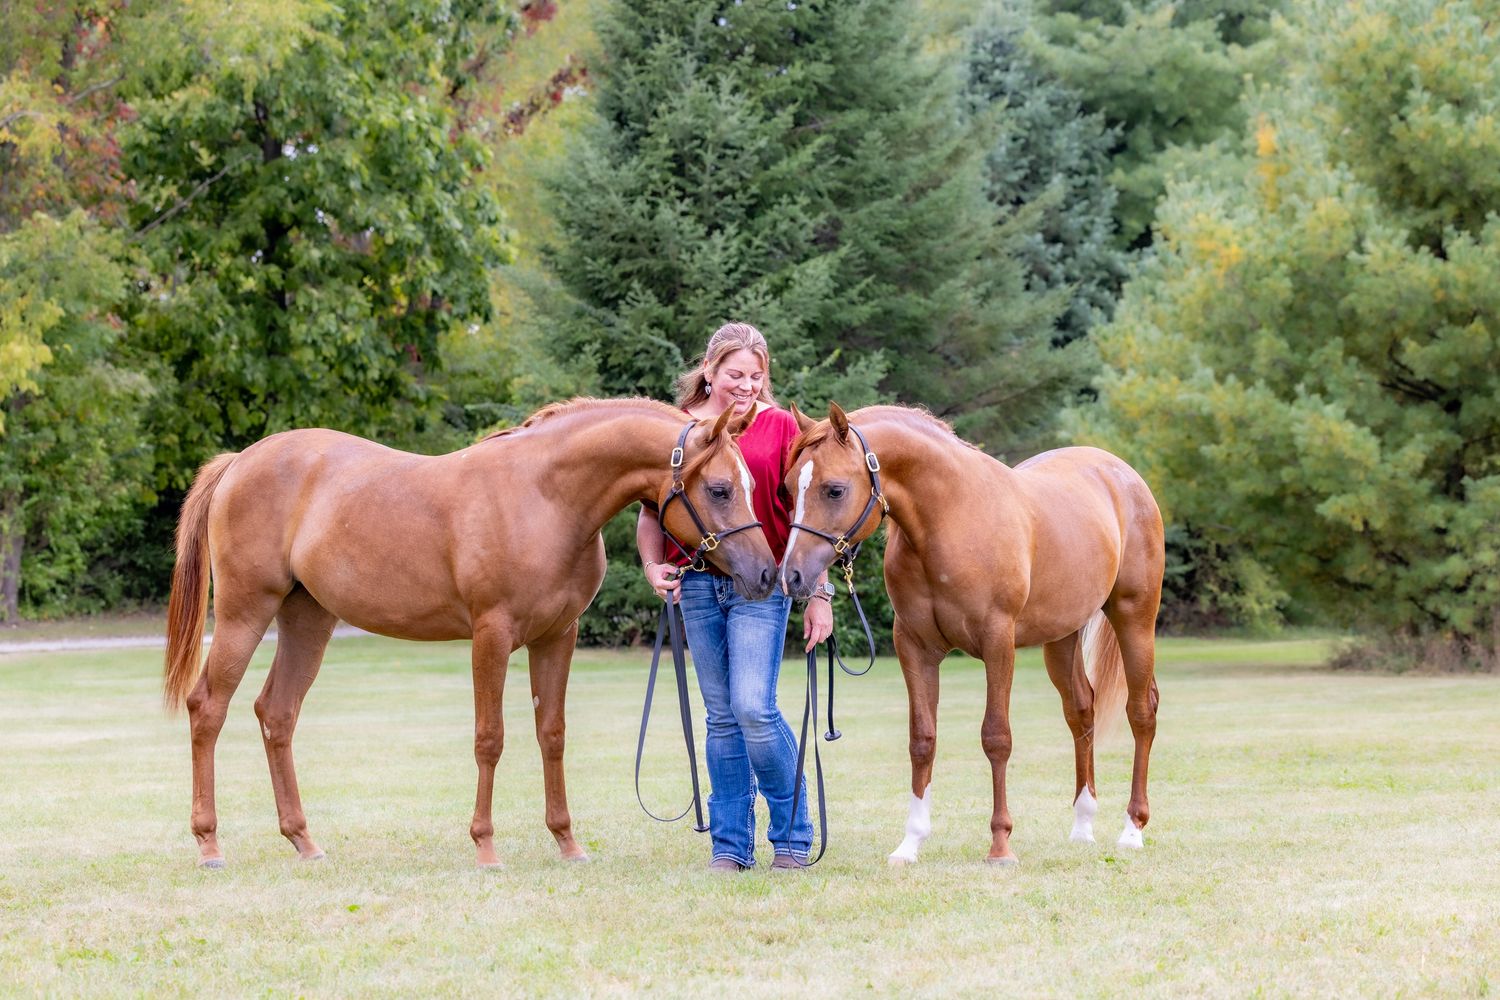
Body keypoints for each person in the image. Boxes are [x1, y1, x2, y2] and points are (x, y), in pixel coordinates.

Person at [637, 322, 834, 872]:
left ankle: (792, 834)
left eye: (756, 375)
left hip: (760, 581)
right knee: (721, 717)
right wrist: (654, 565)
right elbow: (651, 513)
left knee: (752, 707)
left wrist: (821, 592)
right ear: (709, 372)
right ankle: (729, 847)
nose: (746, 385)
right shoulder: (680, 433)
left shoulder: (780, 430)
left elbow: (809, 512)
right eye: (734, 375)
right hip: (695, 582)